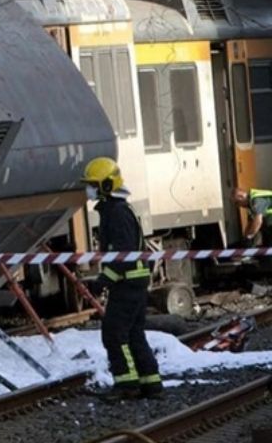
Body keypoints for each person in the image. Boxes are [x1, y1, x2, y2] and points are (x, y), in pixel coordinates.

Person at [81, 156, 163, 400]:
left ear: (107, 186)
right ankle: (151, 383)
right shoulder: (117, 210)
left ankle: (127, 384)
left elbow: (123, 255)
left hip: (126, 282)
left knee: (114, 333)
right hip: (133, 282)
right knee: (134, 333)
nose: (90, 189)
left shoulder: (115, 213)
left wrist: (102, 281)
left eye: (93, 184)